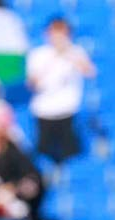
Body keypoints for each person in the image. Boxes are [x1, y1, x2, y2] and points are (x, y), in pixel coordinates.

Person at [26, 17, 95, 164]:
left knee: (71, 153)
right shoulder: (38, 54)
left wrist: (67, 53)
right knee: (43, 153)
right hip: (44, 111)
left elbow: (89, 72)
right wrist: (53, 57)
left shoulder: (76, 51)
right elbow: (32, 83)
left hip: (68, 110)